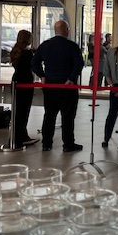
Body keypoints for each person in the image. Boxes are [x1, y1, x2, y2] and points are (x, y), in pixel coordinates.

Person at [31, 19, 84, 152]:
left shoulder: (45, 45)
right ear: (66, 30)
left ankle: (46, 143)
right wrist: (71, 79)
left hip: (50, 86)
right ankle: (68, 144)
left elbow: (34, 63)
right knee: (68, 116)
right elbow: (79, 64)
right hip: (68, 87)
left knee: (49, 115)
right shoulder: (72, 46)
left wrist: (42, 75)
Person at [10, 30, 39, 147]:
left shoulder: (15, 51)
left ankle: (18, 135)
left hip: (16, 81)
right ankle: (21, 136)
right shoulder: (27, 54)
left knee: (18, 111)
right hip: (25, 82)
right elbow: (34, 66)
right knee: (24, 111)